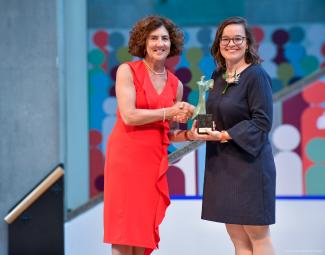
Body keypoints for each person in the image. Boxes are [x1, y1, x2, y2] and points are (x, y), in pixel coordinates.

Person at [103, 15, 194, 255]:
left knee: (143, 233)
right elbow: (129, 115)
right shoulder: (127, 71)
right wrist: (170, 111)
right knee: (124, 233)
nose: (159, 43)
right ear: (143, 42)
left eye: (164, 38)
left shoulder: (176, 85)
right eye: (154, 38)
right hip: (126, 159)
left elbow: (168, 132)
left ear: (171, 43)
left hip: (153, 162)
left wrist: (191, 135)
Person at [186, 16, 276, 255]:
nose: (231, 43)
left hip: (250, 165)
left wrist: (225, 134)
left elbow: (262, 122)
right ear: (218, 44)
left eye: (238, 38)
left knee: (258, 236)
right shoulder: (216, 76)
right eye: (226, 39)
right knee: (237, 238)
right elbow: (211, 112)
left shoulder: (256, 76)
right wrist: (200, 126)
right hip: (222, 164)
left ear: (247, 43)